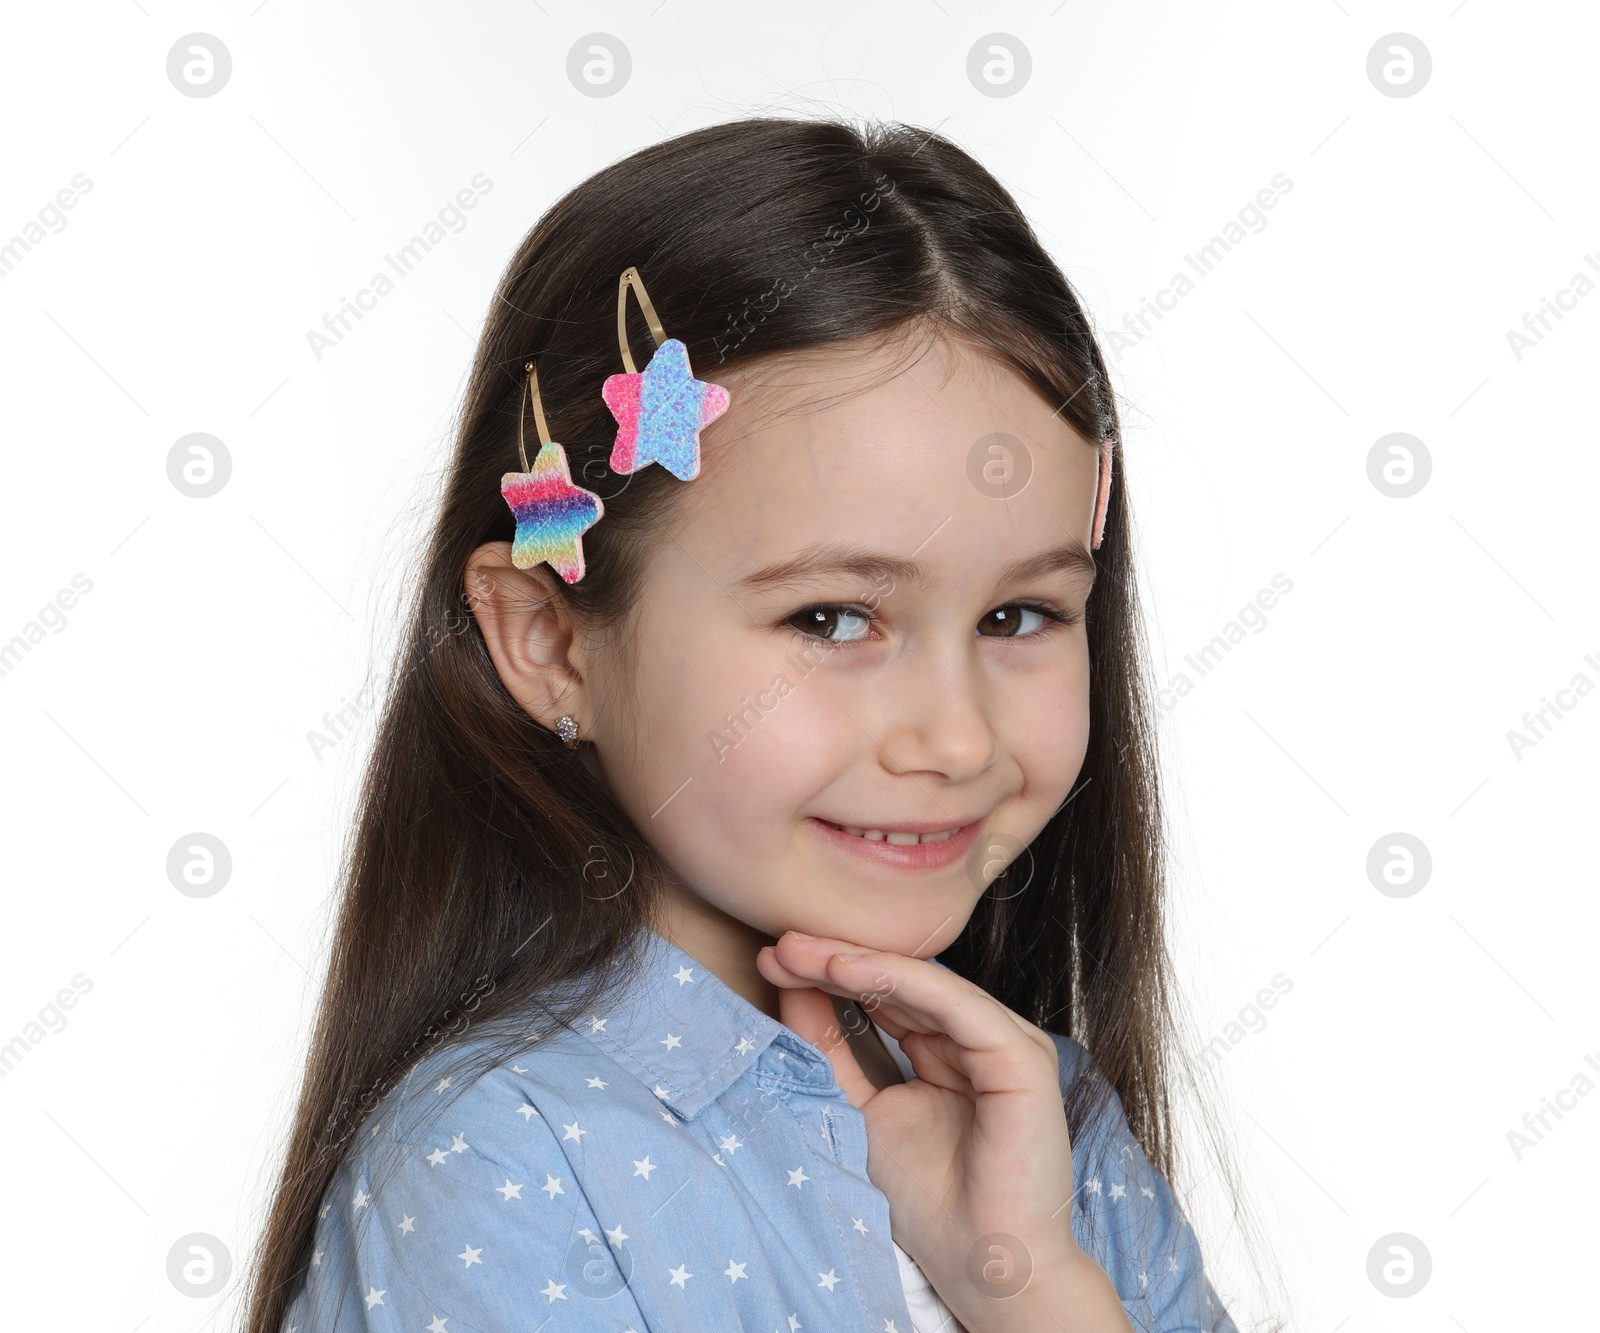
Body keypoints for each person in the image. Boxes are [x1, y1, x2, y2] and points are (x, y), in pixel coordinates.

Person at [244, 116, 1242, 1333]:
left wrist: (1032, 1284)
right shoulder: (504, 1160)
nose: (957, 739)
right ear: (551, 642)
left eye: (1020, 613)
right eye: (830, 619)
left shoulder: (1050, 1124)